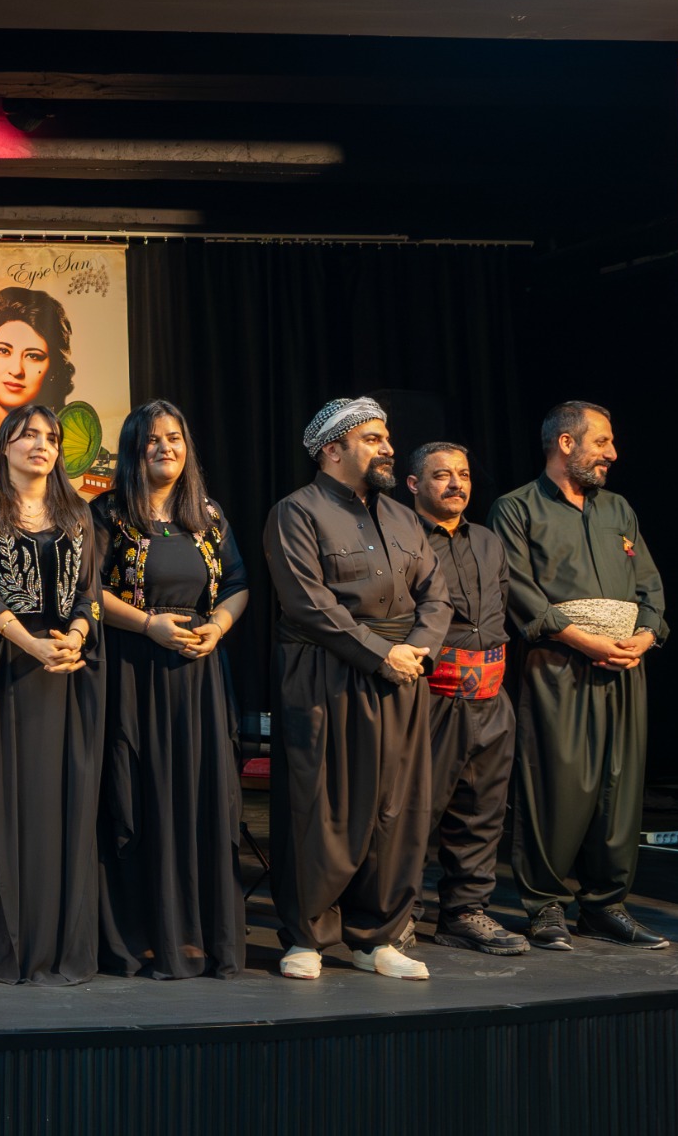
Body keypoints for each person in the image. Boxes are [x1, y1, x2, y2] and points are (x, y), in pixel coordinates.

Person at [264, 397, 449, 982]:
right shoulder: (297, 511)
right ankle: (307, 936)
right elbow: (307, 602)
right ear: (332, 450)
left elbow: (437, 594)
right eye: (372, 438)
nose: (388, 447)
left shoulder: (403, 517)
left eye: (386, 437)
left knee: (397, 809)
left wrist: (417, 649)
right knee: (322, 807)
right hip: (327, 673)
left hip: (403, 673)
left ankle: (378, 938)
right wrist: (380, 653)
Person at [497, 401, 671, 952]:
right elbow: (518, 590)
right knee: (556, 785)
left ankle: (605, 905)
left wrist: (647, 635)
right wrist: (580, 638)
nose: (612, 453)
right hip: (558, 664)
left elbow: (649, 585)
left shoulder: (618, 509)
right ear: (566, 443)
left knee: (620, 785)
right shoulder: (517, 508)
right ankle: (545, 906)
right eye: (602, 442)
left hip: (623, 665)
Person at [92, 401, 250, 979]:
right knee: (142, 797)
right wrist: (147, 625)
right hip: (134, 672)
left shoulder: (208, 514)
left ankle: (198, 935)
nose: (166, 448)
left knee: (201, 798)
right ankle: (145, 936)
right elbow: (87, 591)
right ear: (134, 449)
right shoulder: (108, 513)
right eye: (153, 439)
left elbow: (237, 583)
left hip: (199, 675)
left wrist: (220, 627)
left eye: (175, 438)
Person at [0, 405, 103, 985]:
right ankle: (10, 947)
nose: (42, 445)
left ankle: (61, 946)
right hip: (7, 672)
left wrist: (75, 637)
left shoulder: (78, 513)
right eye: (28, 436)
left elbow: (90, 593)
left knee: (65, 808)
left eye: (50, 437)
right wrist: (34, 645)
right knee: (7, 808)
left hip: (69, 672)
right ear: (4, 446)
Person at [405, 442, 529, 957]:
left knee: (482, 812)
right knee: (415, 811)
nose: (457, 484)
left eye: (463, 474)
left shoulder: (486, 540)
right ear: (414, 484)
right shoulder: (402, 537)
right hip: (432, 696)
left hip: (491, 696)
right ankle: (398, 914)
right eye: (442, 475)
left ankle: (464, 913)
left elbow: (499, 608)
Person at [0, 286, 75, 457]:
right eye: (3, 351)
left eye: (33, 356)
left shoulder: (65, 445)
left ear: (52, 370)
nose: (16, 370)